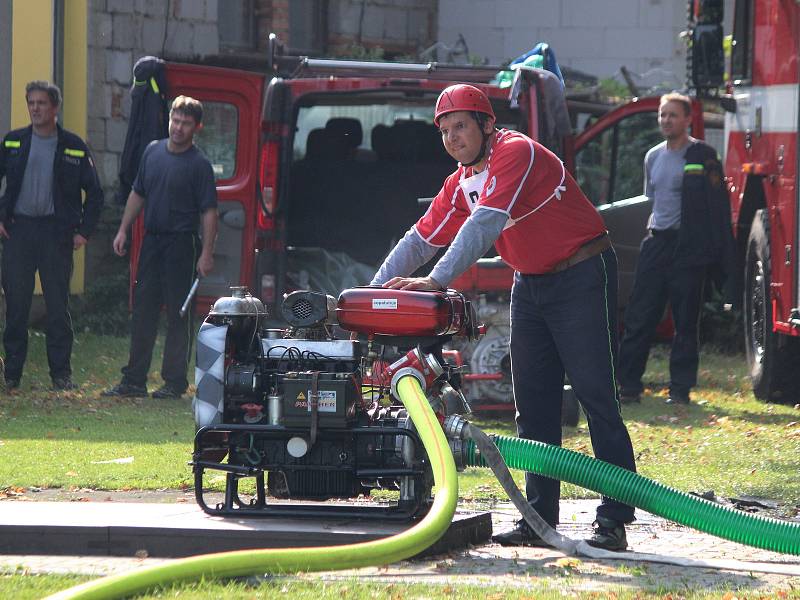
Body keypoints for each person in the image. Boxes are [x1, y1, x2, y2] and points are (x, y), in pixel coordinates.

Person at [370, 84, 637, 550]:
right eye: (445, 130)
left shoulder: (516, 152)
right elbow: (420, 239)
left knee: (596, 395)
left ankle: (613, 520)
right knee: (532, 401)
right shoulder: (459, 180)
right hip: (529, 283)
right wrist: (369, 294)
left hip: (580, 273)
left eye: (461, 126)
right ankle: (538, 519)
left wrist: (436, 281)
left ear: (487, 124)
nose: (453, 138)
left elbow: (484, 224)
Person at [616, 92, 732, 405]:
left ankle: (680, 390)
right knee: (640, 316)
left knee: (685, 321)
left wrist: (715, 254)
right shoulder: (653, 156)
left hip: (688, 247)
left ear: (687, 119)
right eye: (662, 115)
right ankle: (628, 388)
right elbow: (652, 199)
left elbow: (717, 207)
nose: (667, 120)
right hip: (656, 242)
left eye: (673, 115)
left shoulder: (702, 155)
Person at [103, 96, 217, 399]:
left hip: (182, 244)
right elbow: (137, 194)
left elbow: (208, 212)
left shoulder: (200, 165)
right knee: (143, 311)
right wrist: (123, 229)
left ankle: (174, 381)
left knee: (179, 315)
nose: (178, 127)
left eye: (186, 123)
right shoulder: (152, 153)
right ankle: (134, 380)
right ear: (170, 119)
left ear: (197, 127)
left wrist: (206, 253)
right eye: (175, 120)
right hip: (151, 242)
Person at [0, 81, 103, 391]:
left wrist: (84, 232)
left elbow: (95, 194)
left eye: (41, 103)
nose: (35, 108)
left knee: (58, 307)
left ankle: (61, 374)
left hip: (56, 234)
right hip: (19, 231)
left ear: (55, 108)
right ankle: (12, 374)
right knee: (16, 305)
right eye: (31, 102)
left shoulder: (73, 145)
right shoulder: (14, 142)